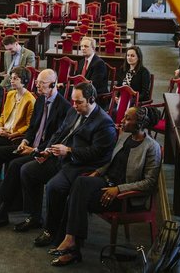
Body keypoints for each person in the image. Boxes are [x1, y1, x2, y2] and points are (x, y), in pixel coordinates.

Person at [0, 82, 116, 240]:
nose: (74, 105)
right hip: (60, 157)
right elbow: (59, 133)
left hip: (80, 165)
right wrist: (47, 151)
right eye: (73, 101)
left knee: (54, 186)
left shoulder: (104, 122)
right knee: (27, 170)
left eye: (79, 102)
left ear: (91, 99)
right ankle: (34, 216)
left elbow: (98, 153)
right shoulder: (74, 111)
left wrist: (69, 151)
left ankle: (52, 229)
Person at [49, 107, 162, 266]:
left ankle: (71, 248)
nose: (122, 120)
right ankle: (70, 241)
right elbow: (110, 161)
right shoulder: (124, 137)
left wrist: (118, 189)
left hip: (123, 197)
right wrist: (97, 172)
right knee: (80, 183)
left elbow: (149, 183)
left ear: (139, 123)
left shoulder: (151, 147)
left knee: (77, 199)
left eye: (127, 118)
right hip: (107, 181)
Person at [0, 69, 71, 216]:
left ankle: (2, 210)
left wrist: (35, 150)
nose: (37, 85)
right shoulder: (40, 100)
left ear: (53, 84)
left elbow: (57, 138)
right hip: (30, 145)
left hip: (44, 152)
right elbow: (32, 127)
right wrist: (25, 141)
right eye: (37, 82)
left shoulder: (64, 107)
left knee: (15, 164)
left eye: (41, 83)